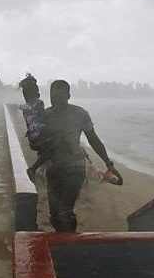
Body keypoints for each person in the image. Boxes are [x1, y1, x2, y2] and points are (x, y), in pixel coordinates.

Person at [43, 80, 123, 232]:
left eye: (60, 96)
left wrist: (109, 164)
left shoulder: (80, 114)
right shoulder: (46, 116)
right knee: (54, 214)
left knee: (65, 212)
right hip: (53, 169)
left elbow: (93, 139)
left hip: (75, 169)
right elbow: (37, 144)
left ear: (68, 96)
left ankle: (69, 244)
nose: (56, 100)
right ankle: (65, 239)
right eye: (53, 96)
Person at [18, 74, 54, 180]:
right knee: (57, 142)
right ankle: (33, 168)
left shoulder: (26, 106)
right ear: (36, 92)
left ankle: (41, 169)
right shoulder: (39, 103)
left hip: (32, 136)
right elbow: (44, 117)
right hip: (40, 135)